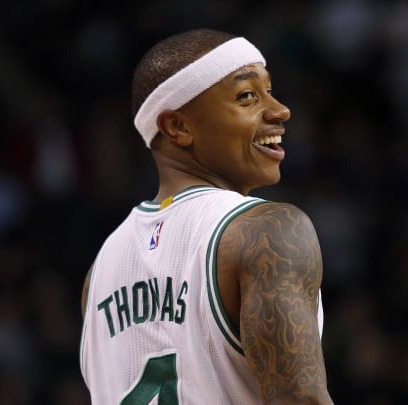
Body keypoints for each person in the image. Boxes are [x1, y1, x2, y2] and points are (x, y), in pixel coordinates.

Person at [79, 28, 334, 404]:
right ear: (178, 127)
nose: (280, 110)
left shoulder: (98, 273)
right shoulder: (266, 231)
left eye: (270, 89)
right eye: (247, 96)